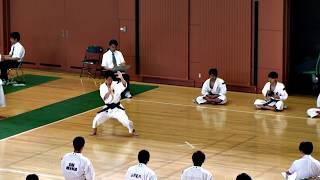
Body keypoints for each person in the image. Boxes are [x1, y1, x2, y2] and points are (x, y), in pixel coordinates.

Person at [91, 70, 136, 136]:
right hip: (107, 108)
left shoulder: (116, 84)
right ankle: (94, 132)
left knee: (126, 121)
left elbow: (124, 85)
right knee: (96, 119)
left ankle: (132, 131)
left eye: (111, 79)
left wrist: (121, 78)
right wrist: (109, 91)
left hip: (117, 108)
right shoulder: (102, 87)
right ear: (105, 79)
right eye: (109, 79)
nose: (110, 81)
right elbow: (105, 98)